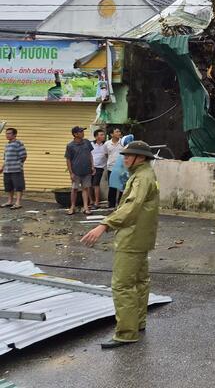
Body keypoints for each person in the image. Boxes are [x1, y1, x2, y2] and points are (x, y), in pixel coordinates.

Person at [80, 140, 160, 349]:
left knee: (122, 285)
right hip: (141, 237)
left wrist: (104, 225)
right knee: (140, 281)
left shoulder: (141, 178)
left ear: (140, 158)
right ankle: (137, 323)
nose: (124, 158)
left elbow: (131, 208)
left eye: (128, 155)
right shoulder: (144, 174)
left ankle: (126, 333)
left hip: (132, 238)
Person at [65, 126, 94, 215]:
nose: (83, 133)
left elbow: (90, 155)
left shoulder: (87, 142)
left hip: (87, 170)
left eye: (82, 131)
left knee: (85, 188)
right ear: (75, 134)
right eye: (80, 132)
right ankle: (72, 206)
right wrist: (71, 173)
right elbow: (68, 159)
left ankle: (85, 207)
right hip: (76, 171)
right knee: (74, 189)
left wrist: (93, 166)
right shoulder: (70, 146)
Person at [2, 128, 27, 210]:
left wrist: (18, 164)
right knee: (8, 186)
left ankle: (18, 203)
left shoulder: (18, 143)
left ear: (15, 134)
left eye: (9, 133)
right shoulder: (7, 145)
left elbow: (24, 156)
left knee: (18, 186)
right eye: (6, 133)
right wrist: (2, 168)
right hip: (7, 170)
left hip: (16, 169)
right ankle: (9, 201)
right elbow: (6, 159)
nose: (7, 135)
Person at [107, 135, 134, 208]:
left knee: (123, 189)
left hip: (123, 172)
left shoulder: (125, 150)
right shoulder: (127, 150)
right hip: (124, 173)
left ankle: (119, 204)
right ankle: (120, 204)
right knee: (124, 190)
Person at [90, 129, 107, 209]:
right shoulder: (91, 144)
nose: (103, 136)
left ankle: (97, 202)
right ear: (96, 136)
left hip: (99, 167)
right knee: (89, 184)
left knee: (96, 184)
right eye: (101, 135)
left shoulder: (105, 145)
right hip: (90, 167)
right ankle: (91, 201)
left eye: (103, 134)